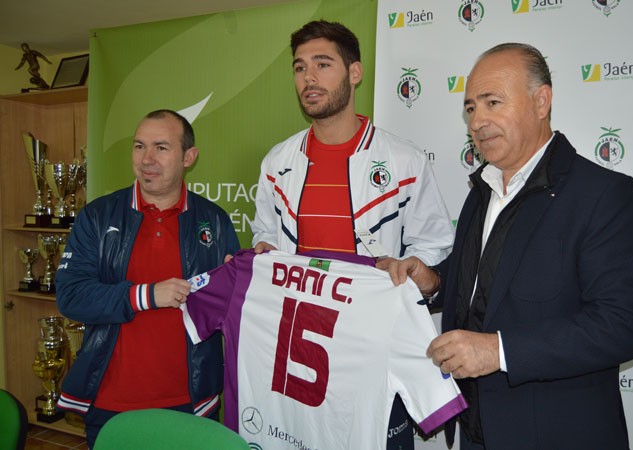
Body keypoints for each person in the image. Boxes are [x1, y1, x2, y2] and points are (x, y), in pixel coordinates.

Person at [384, 43, 633, 450]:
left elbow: (623, 325)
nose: (478, 121)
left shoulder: (605, 195)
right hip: (475, 432)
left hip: (558, 436)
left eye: (493, 102)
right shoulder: (482, 192)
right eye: (471, 108)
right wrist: (434, 283)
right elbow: (487, 284)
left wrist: (500, 350)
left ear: (541, 100)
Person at [250, 20, 455, 449]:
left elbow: (435, 247)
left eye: (323, 64)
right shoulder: (277, 162)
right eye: (300, 67)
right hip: (300, 354)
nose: (308, 77)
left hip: (375, 354)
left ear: (354, 72)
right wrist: (263, 252)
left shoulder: (404, 161)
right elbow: (265, 235)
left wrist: (417, 270)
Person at [55, 109, 240, 448]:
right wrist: (145, 296)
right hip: (112, 403)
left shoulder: (214, 221)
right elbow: (71, 296)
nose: (147, 159)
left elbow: (230, 310)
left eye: (161, 148)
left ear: (189, 157)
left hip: (191, 402)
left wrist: (241, 283)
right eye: (139, 146)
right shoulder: (97, 216)